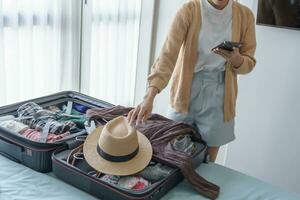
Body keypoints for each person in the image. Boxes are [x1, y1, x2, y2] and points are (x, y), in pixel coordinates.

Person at [128, 0, 256, 162]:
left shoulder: (245, 15)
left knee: (207, 162)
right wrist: (149, 97)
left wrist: (236, 59)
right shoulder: (189, 10)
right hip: (186, 89)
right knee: (171, 154)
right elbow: (167, 56)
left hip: (220, 94)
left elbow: (249, 63)